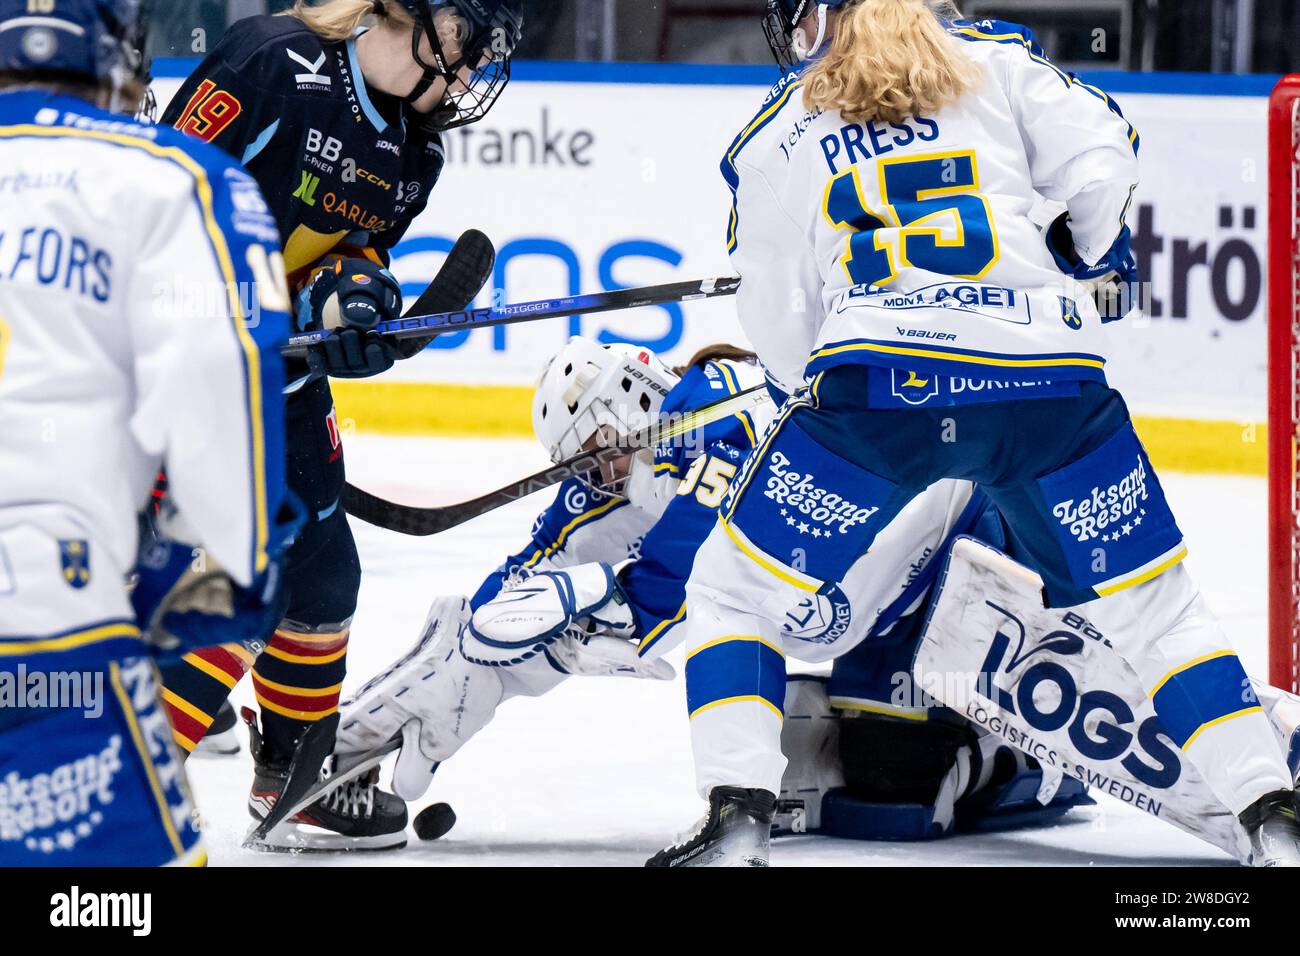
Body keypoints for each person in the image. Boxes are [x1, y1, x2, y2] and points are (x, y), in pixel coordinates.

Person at [627, 0, 1299, 866]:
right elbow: (1103, 161)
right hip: (1046, 387)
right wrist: (1091, 254)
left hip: (878, 393)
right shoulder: (999, 61)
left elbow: (777, 319)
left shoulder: (776, 134)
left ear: (818, 14)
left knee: (731, 595)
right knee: (1157, 614)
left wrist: (813, 392)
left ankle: (739, 823)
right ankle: (1272, 820)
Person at [332, 338, 1075, 849]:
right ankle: (914, 733)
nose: (597, 477)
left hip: (956, 551)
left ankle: (1031, 765)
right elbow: (536, 565)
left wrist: (616, 597)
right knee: (877, 804)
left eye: (598, 454)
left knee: (903, 792)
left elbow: (690, 555)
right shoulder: (622, 473)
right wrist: (473, 643)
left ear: (628, 403)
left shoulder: (721, 401)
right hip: (855, 610)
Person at [154, 0, 523, 850]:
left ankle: (294, 780)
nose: (475, 73)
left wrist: (353, 301)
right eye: (473, 44)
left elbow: (352, 250)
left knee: (322, 581)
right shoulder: (272, 65)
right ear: (417, 13)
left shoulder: (413, 148)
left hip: (271, 377)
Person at [0, 0, 296, 865]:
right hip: (44, 608)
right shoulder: (169, 178)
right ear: (118, 60)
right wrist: (233, 564)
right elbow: (215, 375)